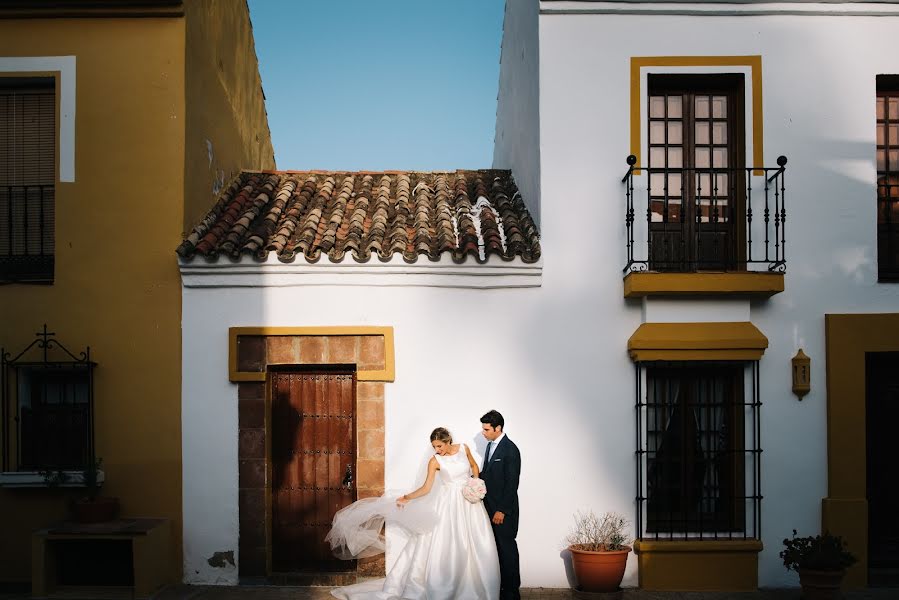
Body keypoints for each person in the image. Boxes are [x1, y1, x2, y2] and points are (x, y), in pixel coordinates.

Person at [327, 427, 500, 600]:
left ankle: (473, 584)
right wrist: (406, 497)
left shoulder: (463, 448)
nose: (437, 450)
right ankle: (445, 585)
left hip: (470, 502)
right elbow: (426, 488)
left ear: (448, 441)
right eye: (434, 447)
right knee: (447, 541)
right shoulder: (435, 461)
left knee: (474, 539)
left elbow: (473, 466)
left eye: (439, 446)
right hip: (448, 504)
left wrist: (475, 483)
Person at [480, 410, 521, 600]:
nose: (483, 432)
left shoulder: (511, 450)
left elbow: (512, 484)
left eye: (486, 429)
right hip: (489, 508)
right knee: (496, 549)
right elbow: (487, 475)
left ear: (498, 428)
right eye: (483, 428)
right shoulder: (490, 446)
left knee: (507, 548)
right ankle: (501, 587)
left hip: (503, 511)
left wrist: (502, 510)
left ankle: (512, 591)